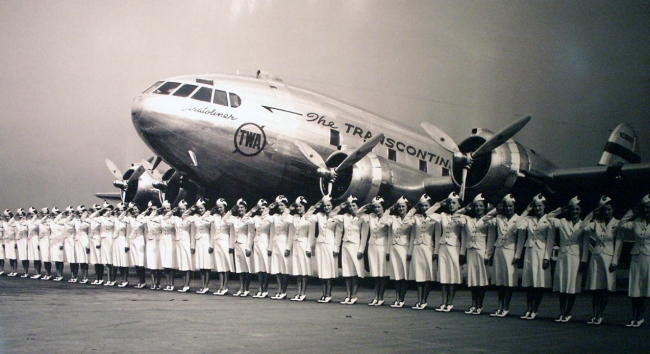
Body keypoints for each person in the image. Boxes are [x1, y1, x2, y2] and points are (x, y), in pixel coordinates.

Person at [547, 196, 587, 323]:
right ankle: (562, 312)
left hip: (575, 257)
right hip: (563, 256)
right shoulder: (563, 221)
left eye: (577, 210)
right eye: (572, 209)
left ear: (580, 211)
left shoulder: (584, 224)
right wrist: (560, 210)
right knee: (562, 285)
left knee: (572, 285)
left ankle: (568, 312)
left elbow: (585, 244)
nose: (574, 212)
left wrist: (584, 260)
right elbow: (548, 217)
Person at [515, 194, 554, 320]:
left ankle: (535, 309)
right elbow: (518, 225)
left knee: (539, 283)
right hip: (530, 252)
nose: (537, 209)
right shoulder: (529, 219)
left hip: (541, 253)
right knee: (529, 282)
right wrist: (527, 210)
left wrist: (547, 257)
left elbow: (550, 240)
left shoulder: (548, 220)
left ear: (544, 207)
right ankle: (529, 308)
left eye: (540, 206)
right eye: (535, 207)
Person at [581, 195, 618, 325]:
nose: (606, 212)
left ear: (613, 209)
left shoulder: (617, 224)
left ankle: (600, 314)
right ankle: (594, 315)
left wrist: (615, 261)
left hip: (609, 258)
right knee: (596, 288)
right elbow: (583, 226)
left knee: (605, 289)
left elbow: (619, 243)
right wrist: (593, 213)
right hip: (596, 257)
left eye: (608, 209)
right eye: (604, 210)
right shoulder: (596, 223)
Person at [486, 194, 525, 317]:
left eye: (510, 206)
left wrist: (518, 254)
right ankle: (500, 306)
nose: (508, 209)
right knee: (500, 280)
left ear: (514, 207)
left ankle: (506, 307)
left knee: (509, 281)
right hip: (499, 251)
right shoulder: (499, 218)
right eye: (506, 206)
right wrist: (497, 209)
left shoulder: (519, 219)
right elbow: (485, 219)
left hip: (510, 252)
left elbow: (521, 239)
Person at [457, 194, 496, 315]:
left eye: (481, 206)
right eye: (476, 206)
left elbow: (491, 239)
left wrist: (487, 255)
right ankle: (473, 304)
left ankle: (480, 305)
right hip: (471, 251)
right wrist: (466, 208)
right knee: (473, 280)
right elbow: (455, 217)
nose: (478, 208)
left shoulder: (488, 220)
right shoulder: (468, 219)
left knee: (481, 280)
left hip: (481, 252)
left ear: (485, 207)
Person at [616, 194, 650, 328]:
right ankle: (633, 316)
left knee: (646, 288)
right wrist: (632, 211)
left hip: (649, 258)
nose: (647, 211)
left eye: (649, 208)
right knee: (635, 286)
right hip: (636, 256)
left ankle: (640, 316)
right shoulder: (637, 221)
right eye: (645, 208)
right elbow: (621, 224)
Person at [431, 192, 464, 312]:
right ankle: (443, 302)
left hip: (455, 248)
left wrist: (462, 253)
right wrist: (440, 203)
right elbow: (428, 213)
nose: (451, 205)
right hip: (443, 247)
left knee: (453, 276)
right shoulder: (443, 215)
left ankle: (450, 302)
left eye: (454, 203)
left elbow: (464, 235)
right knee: (444, 275)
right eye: (450, 203)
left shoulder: (462, 217)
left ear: (459, 205)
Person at [358, 197, 391, 306]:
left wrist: (388, 251)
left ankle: (381, 297)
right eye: (375, 207)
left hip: (382, 247)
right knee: (375, 274)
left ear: (383, 207)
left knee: (382, 274)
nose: (377, 209)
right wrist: (367, 206)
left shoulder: (388, 218)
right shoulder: (371, 217)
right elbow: (358, 214)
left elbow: (390, 235)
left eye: (379, 207)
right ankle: (375, 297)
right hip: (372, 247)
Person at [407, 194, 438, 310]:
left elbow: (438, 234)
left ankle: (425, 300)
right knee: (419, 275)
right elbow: (406, 222)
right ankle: (419, 300)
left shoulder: (435, 218)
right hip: (417, 248)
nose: (425, 208)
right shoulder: (416, 217)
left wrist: (436, 251)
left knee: (427, 275)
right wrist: (414, 208)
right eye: (423, 206)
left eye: (427, 206)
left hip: (429, 248)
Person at [385, 196, 416, 308]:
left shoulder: (411, 219)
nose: (401, 209)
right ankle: (397, 298)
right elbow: (383, 222)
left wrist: (410, 252)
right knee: (396, 275)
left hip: (405, 249)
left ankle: (402, 298)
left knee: (404, 275)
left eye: (403, 207)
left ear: (407, 208)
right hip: (394, 248)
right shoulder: (393, 218)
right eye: (399, 207)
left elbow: (412, 236)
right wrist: (390, 208)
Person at [310, 195, 342, 303]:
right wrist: (315, 206)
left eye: (328, 205)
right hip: (320, 245)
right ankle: (323, 294)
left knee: (329, 270)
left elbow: (338, 233)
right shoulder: (319, 215)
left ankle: (328, 294)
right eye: (325, 206)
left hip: (330, 245)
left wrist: (336, 248)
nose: (326, 207)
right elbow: (307, 217)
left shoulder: (337, 217)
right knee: (322, 270)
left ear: (332, 206)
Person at [335, 196, 367, 305]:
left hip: (356, 246)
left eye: (354, 206)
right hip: (345, 245)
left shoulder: (363, 218)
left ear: (358, 207)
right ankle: (348, 295)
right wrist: (342, 205)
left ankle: (354, 295)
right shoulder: (345, 216)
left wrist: (361, 250)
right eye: (350, 206)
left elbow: (364, 235)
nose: (352, 208)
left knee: (355, 272)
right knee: (347, 272)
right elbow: (332, 216)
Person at [289, 196, 315, 301]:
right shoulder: (294, 217)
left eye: (300, 206)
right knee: (297, 269)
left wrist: (309, 247)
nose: (299, 208)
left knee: (304, 270)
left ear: (305, 207)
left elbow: (311, 234)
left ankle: (303, 293)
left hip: (304, 245)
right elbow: (285, 219)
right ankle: (298, 292)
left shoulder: (310, 218)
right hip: (296, 244)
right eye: (297, 207)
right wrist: (291, 208)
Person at [269, 195, 293, 300]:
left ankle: (284, 291)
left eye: (282, 205)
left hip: (284, 244)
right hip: (275, 244)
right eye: (278, 205)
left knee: (284, 269)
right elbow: (271, 230)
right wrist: (269, 208)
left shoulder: (290, 217)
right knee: (277, 269)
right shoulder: (275, 216)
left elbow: (291, 234)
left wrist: (288, 247)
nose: (280, 207)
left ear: (286, 206)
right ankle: (279, 290)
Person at [247, 199, 272, 298]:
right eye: (260, 208)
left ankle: (265, 290)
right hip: (257, 244)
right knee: (259, 269)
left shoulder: (270, 218)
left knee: (265, 268)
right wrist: (252, 211)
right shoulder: (256, 218)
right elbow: (245, 220)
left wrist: (270, 247)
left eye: (263, 208)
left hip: (265, 244)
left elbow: (272, 233)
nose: (261, 210)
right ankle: (260, 289)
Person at [230, 198, 252, 297]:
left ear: (246, 208)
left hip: (244, 244)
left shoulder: (249, 219)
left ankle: (246, 289)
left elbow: (251, 234)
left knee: (246, 268)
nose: (240, 209)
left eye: (242, 207)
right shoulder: (236, 219)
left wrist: (248, 247)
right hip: (237, 244)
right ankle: (241, 288)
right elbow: (225, 219)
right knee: (239, 268)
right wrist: (232, 209)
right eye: (238, 208)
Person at [209, 198, 231, 295]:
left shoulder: (229, 216)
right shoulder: (215, 217)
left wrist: (231, 245)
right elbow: (212, 231)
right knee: (219, 265)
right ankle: (221, 287)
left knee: (225, 265)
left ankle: (225, 287)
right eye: (218, 207)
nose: (219, 209)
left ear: (224, 207)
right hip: (217, 242)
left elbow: (232, 232)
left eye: (221, 207)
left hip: (225, 242)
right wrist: (211, 244)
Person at [174, 200, 194, 292]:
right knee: (182, 264)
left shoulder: (190, 219)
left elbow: (192, 232)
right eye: (181, 209)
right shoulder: (176, 219)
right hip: (179, 242)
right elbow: (166, 217)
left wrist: (192, 246)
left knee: (187, 264)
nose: (182, 211)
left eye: (184, 209)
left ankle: (187, 284)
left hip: (187, 242)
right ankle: (184, 284)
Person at [126, 203, 148, 289]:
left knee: (140, 262)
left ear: (139, 210)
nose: (134, 211)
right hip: (133, 241)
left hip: (140, 240)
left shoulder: (143, 218)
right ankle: (140, 281)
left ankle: (143, 281)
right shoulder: (131, 219)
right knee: (135, 262)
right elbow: (121, 217)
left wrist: (146, 242)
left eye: (135, 209)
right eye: (133, 210)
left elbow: (146, 230)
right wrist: (128, 209)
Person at [111, 203, 131, 287]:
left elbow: (128, 233)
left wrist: (127, 244)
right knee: (116, 261)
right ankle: (113, 279)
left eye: (122, 210)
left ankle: (125, 280)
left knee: (124, 261)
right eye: (119, 210)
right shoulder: (115, 219)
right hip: (116, 240)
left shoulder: (127, 220)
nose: (120, 212)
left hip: (123, 241)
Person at [159, 201, 177, 291]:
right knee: (165, 263)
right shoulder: (161, 218)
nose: (166, 210)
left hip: (171, 240)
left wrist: (172, 212)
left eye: (168, 208)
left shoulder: (174, 219)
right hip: (163, 240)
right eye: (164, 208)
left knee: (171, 262)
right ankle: (167, 283)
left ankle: (172, 283)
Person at [145, 203, 163, 289]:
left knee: (158, 264)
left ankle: (158, 282)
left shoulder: (161, 218)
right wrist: (150, 211)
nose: (154, 211)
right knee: (152, 263)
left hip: (159, 241)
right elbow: (143, 220)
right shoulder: (147, 218)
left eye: (155, 209)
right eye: (152, 209)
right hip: (151, 241)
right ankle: (153, 282)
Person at [49, 207, 69, 281]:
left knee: (60, 259)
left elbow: (63, 233)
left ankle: (60, 274)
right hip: (53, 242)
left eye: (56, 214)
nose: (55, 215)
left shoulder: (63, 221)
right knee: (56, 259)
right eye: (54, 214)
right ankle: (57, 274)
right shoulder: (52, 221)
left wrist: (61, 243)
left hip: (60, 241)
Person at [88, 204, 105, 284]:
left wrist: (99, 211)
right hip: (93, 240)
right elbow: (90, 218)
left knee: (99, 261)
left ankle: (100, 278)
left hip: (98, 240)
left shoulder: (101, 219)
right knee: (95, 260)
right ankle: (97, 278)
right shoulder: (93, 219)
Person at [73, 205, 91, 284]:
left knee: (85, 260)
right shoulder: (76, 221)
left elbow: (90, 233)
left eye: (81, 212)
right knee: (80, 259)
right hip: (78, 240)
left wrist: (88, 245)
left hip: (85, 240)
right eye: (78, 213)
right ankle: (82, 277)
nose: (80, 214)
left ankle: (85, 277)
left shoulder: (88, 221)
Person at [99, 203, 116, 285]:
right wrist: (100, 210)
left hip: (111, 239)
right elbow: (91, 218)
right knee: (107, 261)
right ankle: (109, 279)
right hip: (104, 240)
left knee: (112, 260)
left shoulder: (114, 218)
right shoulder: (101, 218)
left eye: (110, 210)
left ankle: (113, 279)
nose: (108, 212)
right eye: (106, 210)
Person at [37, 208, 53, 280]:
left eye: (45, 213)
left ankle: (49, 273)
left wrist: (48, 217)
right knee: (44, 258)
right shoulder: (41, 222)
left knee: (47, 258)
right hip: (42, 240)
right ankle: (46, 273)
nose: (44, 215)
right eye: (43, 213)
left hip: (48, 240)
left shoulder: (50, 222)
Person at [26, 207, 42, 279]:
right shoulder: (29, 221)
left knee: (37, 257)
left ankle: (38, 272)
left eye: (33, 214)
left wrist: (39, 242)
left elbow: (40, 231)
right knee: (33, 257)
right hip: (30, 240)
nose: (31, 215)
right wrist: (26, 216)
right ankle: (36, 272)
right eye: (30, 214)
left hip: (36, 239)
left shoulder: (38, 221)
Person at [15, 208, 30, 277]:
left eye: (22, 215)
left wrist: (25, 220)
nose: (20, 217)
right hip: (19, 240)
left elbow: (23, 230)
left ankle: (26, 272)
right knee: (22, 256)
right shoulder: (17, 222)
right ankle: (24, 272)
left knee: (25, 256)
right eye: (19, 215)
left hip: (25, 239)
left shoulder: (27, 222)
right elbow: (17, 230)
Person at [3, 210, 18, 276]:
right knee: (9, 256)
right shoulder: (4, 223)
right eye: (6, 216)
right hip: (7, 241)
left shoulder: (14, 223)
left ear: (11, 216)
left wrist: (15, 242)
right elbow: (4, 232)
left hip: (12, 241)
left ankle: (15, 271)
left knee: (13, 256)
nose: (7, 217)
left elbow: (16, 233)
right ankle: (12, 270)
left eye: (8, 216)